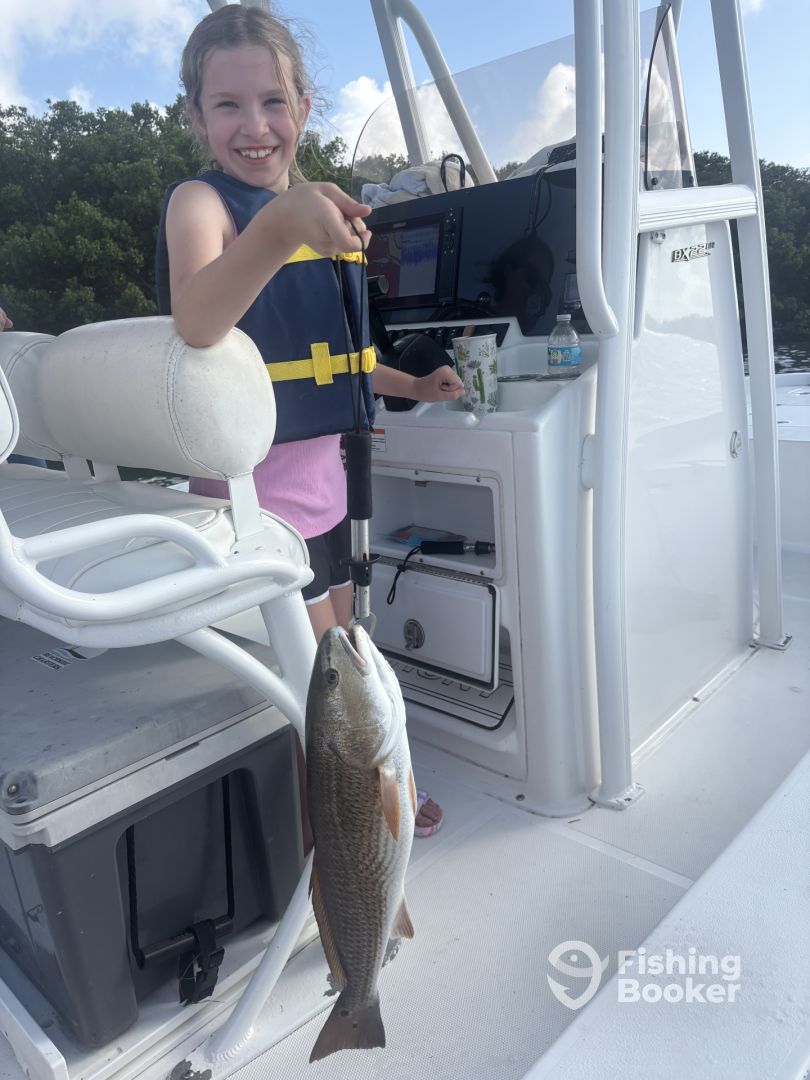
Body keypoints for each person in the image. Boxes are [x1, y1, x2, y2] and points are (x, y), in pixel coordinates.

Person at [160, 5, 462, 837]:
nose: (253, 126)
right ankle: (335, 840)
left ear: (303, 106)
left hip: (328, 501)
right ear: (195, 118)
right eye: (227, 105)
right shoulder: (202, 203)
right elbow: (197, 320)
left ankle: (382, 796)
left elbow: (339, 359)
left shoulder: (319, 216)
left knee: (354, 664)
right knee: (317, 691)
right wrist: (280, 224)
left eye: (272, 102)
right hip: (254, 515)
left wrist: (413, 382)